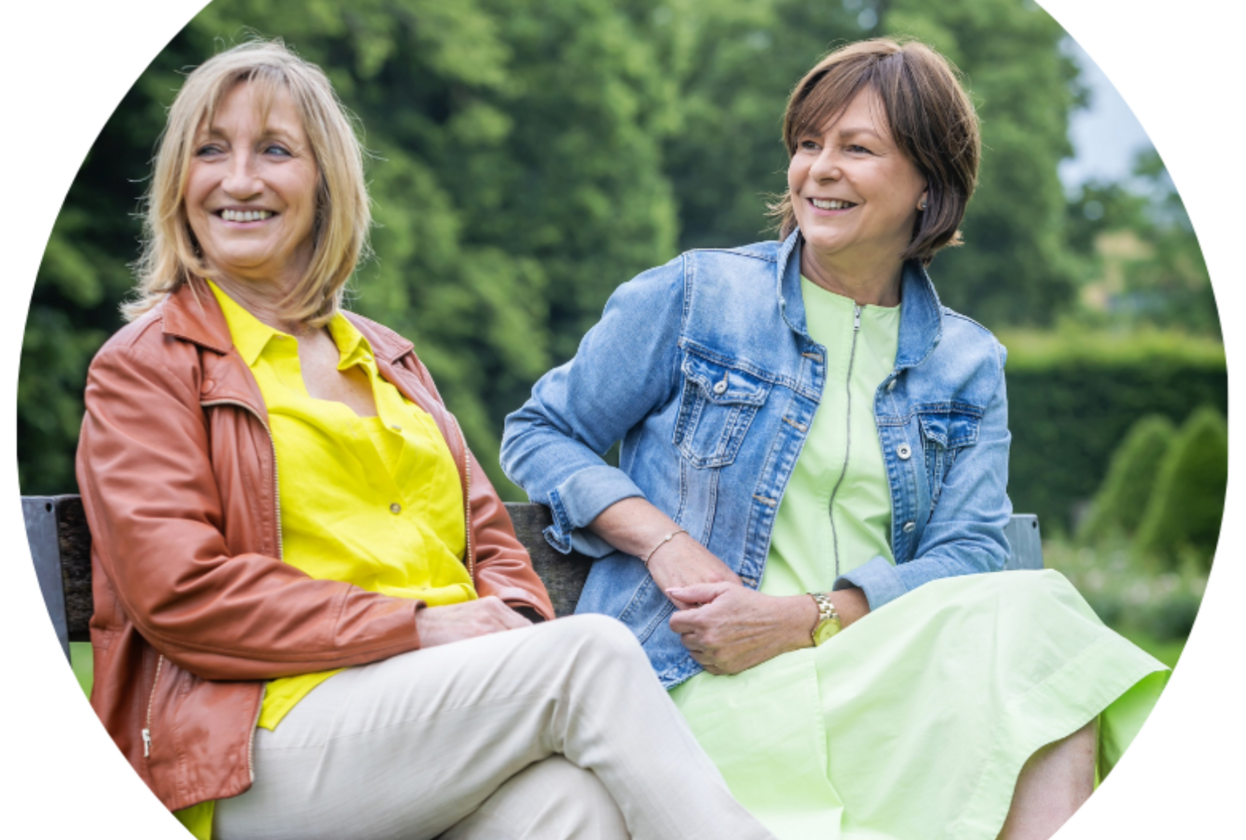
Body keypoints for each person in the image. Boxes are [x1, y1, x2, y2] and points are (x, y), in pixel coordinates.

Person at [75, 39, 778, 840]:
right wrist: (418, 623)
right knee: (592, 656)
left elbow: (490, 543)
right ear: (179, 182)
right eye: (210, 152)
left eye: (274, 150)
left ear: (324, 184)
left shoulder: (384, 357)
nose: (238, 180)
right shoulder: (148, 367)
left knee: (570, 809)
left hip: (431, 712)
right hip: (259, 740)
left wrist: (501, 620)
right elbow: (182, 594)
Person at [501, 38, 1170, 840]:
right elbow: (542, 432)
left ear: (929, 184)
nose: (819, 169)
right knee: (1041, 647)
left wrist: (807, 617)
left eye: (858, 149)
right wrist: (663, 542)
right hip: (697, 685)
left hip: (878, 690)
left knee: (1040, 619)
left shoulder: (967, 361)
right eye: (809, 144)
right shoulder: (696, 297)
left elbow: (970, 553)